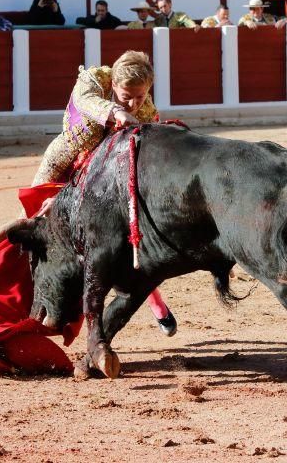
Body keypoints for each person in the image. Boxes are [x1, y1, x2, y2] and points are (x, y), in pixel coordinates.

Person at [30, 51, 178, 335]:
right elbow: (84, 101)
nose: (134, 104)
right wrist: (116, 111)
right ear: (113, 85)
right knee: (34, 228)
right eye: (127, 96)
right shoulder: (95, 80)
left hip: (103, 179)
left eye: (141, 96)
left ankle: (156, 303)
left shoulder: (146, 111)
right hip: (62, 165)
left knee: (129, 241)